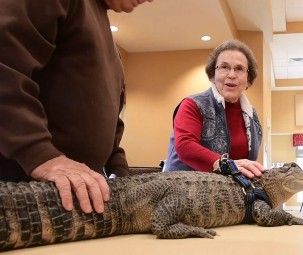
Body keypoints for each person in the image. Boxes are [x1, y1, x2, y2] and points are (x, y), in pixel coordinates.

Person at [0, 0, 153, 214]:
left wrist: (118, 169)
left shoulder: (109, 42)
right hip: (17, 186)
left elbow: (110, 121)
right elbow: (5, 70)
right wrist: (40, 155)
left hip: (68, 193)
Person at [164, 39, 265, 178]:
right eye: (224, 67)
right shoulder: (192, 104)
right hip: (184, 191)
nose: (231, 75)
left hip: (228, 194)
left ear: (248, 79)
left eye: (239, 69)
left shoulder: (252, 116)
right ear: (212, 75)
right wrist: (225, 165)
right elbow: (185, 146)